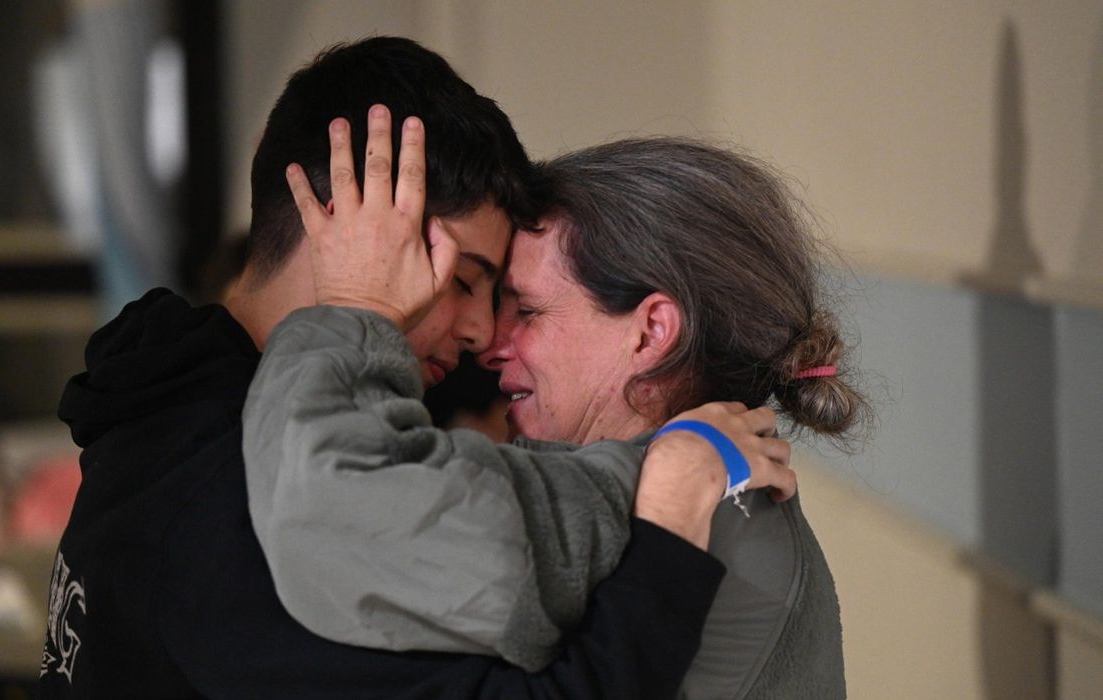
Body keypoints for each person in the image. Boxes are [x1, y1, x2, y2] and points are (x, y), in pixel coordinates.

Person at [40, 37, 794, 699]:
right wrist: (665, 520)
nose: (479, 332)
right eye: (464, 278)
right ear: (345, 230)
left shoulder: (167, 399)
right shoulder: (245, 497)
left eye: (507, 301)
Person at [246, 137, 865, 698]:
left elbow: (330, 497)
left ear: (650, 333)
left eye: (529, 311)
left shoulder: (652, 498)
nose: (490, 342)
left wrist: (359, 306)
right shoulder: (736, 500)